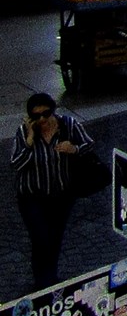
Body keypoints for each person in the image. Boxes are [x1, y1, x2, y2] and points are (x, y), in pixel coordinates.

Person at [11, 93, 95, 289]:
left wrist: (73, 148)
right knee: (40, 238)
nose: (42, 120)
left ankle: (50, 279)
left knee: (55, 238)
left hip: (61, 196)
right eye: (36, 116)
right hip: (32, 197)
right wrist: (30, 141)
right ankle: (42, 281)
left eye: (46, 114)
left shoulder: (68, 125)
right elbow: (16, 163)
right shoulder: (24, 132)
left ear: (53, 111)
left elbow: (88, 144)